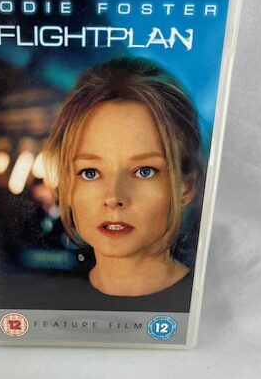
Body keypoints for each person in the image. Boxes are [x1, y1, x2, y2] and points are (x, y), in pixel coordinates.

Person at [43, 57, 203, 300]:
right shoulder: (45, 301)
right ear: (66, 184)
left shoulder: (210, 304)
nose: (113, 197)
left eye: (144, 171)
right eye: (90, 172)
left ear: (186, 186)